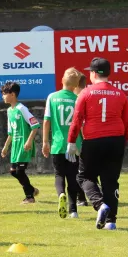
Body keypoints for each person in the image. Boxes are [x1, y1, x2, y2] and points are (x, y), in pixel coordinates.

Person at [67, 57, 128, 230]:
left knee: (84, 176)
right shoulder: (120, 94)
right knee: (111, 180)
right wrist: (123, 141)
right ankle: (111, 222)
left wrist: (71, 141)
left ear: (94, 73)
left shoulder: (86, 93)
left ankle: (99, 204)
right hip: (116, 139)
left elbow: (77, 119)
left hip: (94, 139)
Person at [42, 68, 84, 219]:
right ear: (76, 85)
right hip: (74, 145)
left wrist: (45, 141)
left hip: (58, 145)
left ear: (62, 80)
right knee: (73, 177)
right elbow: (82, 124)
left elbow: (47, 120)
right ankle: (73, 210)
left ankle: (61, 194)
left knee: (59, 174)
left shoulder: (52, 97)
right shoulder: (78, 99)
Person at [0, 82, 41, 204]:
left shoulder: (21, 108)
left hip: (23, 145)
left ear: (12, 94)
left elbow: (35, 125)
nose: (3, 96)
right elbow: (11, 132)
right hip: (15, 146)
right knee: (13, 171)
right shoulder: (9, 110)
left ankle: (29, 197)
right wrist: (6, 147)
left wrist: (29, 141)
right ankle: (32, 190)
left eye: (4, 94)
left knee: (19, 171)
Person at [75, 73, 88, 207]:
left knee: (78, 171)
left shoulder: (79, 98)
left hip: (81, 141)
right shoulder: (90, 95)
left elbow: (80, 122)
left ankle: (81, 198)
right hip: (93, 138)